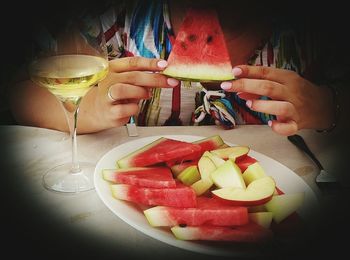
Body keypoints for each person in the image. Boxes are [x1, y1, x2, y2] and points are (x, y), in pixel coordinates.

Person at [6, 0, 348, 136]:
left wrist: (328, 105)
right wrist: (88, 106)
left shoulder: (316, 34)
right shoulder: (117, 22)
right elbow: (19, 94)